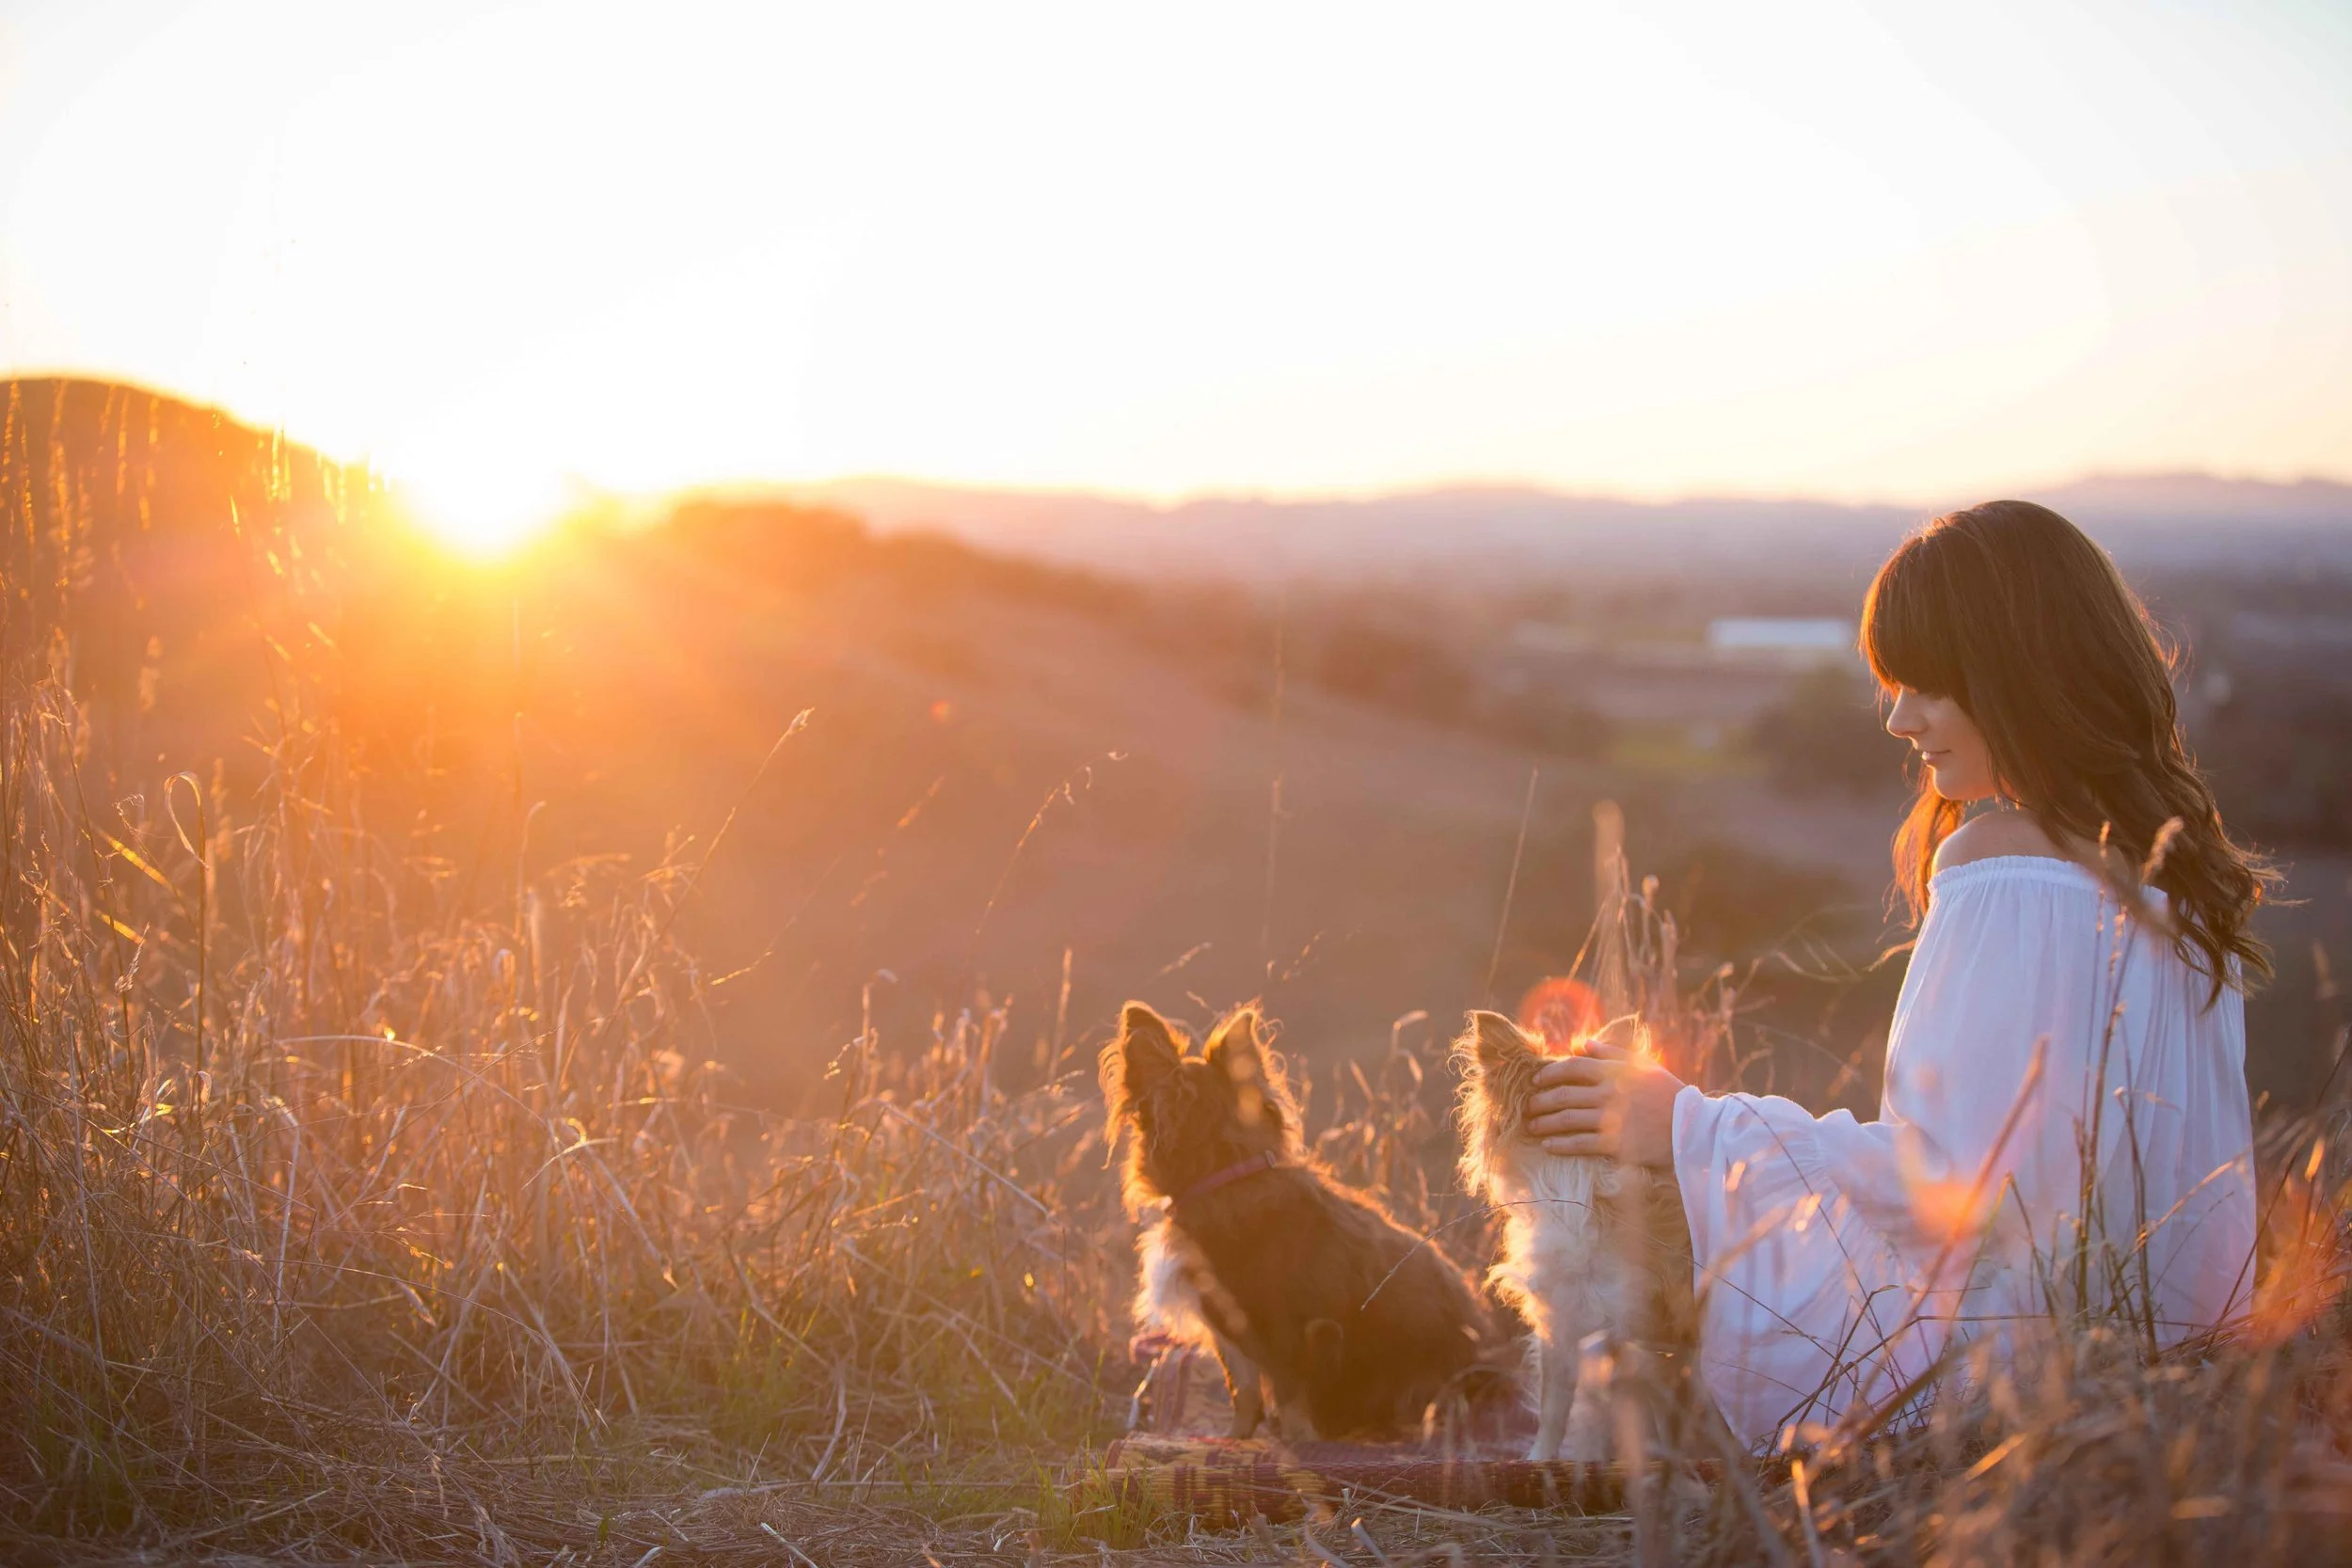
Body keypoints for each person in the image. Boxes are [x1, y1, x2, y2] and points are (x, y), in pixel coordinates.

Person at [1527, 499, 2269, 1450]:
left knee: (1623, 1308)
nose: (1897, 716)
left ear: (2021, 676)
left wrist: (1682, 1123)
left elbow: (1950, 1187)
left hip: (1998, 1402)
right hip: (2163, 1396)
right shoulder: (2174, 886)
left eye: (1927, 685)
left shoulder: (2003, 861)